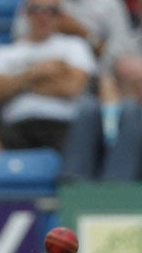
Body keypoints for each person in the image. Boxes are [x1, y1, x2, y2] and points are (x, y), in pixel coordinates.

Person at [0, 0, 95, 153]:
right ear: (25, 12)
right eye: (36, 9)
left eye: (51, 10)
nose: (43, 16)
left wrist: (17, 85)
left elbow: (71, 88)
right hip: (17, 124)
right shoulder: (4, 53)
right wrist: (36, 72)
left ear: (60, 15)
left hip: (63, 125)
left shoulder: (75, 46)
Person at [61, 52, 142, 182]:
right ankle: (74, 183)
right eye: (127, 83)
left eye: (137, 82)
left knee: (131, 109)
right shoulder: (106, 109)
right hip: (108, 144)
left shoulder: (131, 109)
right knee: (88, 108)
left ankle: (116, 186)